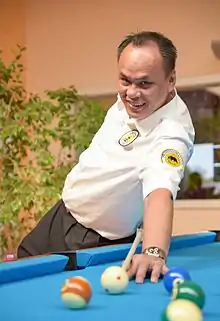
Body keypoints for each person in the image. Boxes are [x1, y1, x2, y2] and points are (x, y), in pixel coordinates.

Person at [17, 31, 195, 283]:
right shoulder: (136, 100)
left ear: (171, 79)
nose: (132, 93)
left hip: (96, 242)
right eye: (125, 80)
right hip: (60, 215)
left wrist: (154, 251)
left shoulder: (171, 133)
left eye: (144, 83)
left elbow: (160, 191)